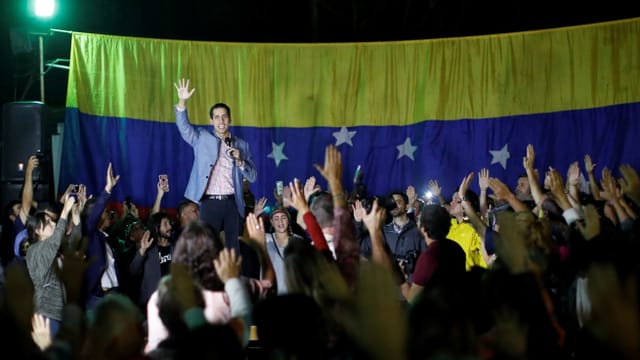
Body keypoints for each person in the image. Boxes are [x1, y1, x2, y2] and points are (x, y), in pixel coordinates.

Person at [173, 78, 257, 260]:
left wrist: (241, 161)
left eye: (224, 117)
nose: (221, 121)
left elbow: (253, 176)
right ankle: (208, 285)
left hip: (232, 203)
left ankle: (231, 285)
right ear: (211, 120)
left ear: (230, 119)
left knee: (233, 251)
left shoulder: (241, 145)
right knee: (207, 249)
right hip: (209, 202)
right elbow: (184, 127)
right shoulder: (202, 137)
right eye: (217, 117)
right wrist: (182, 102)